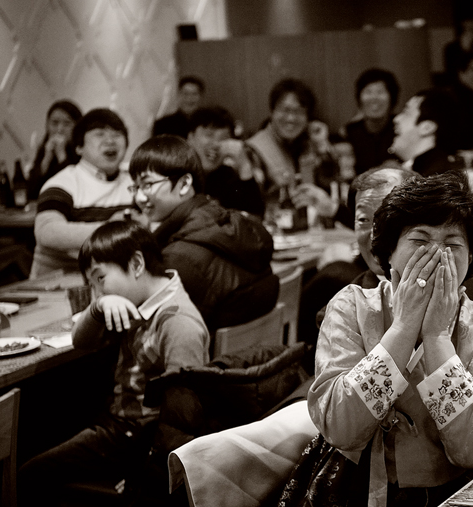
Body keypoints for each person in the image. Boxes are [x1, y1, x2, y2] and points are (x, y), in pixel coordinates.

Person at [267, 171, 473, 507]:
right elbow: (339, 427)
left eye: (452, 243)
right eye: (420, 240)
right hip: (352, 502)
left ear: (471, 258)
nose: (437, 255)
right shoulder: (351, 307)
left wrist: (436, 337)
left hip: (451, 504)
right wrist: (404, 326)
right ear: (389, 253)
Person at [299, 166, 473, 421]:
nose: (375, 232)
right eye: (363, 220)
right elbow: (333, 410)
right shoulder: (348, 306)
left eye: (387, 215)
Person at [19, 221, 210, 507]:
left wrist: (143, 473)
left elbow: (183, 420)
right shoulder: (140, 303)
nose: (97, 291)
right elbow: (81, 341)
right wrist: (98, 307)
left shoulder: (178, 323)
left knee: (29, 476)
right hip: (121, 425)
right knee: (41, 430)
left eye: (100, 280)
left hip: (136, 439)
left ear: (136, 264)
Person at [128, 135, 278, 332]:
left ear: (184, 184)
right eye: (135, 187)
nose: (139, 197)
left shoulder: (178, 257)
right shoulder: (226, 221)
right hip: (254, 348)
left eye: (147, 185)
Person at [31, 108, 139, 277]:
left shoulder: (135, 182)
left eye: (117, 134)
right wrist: (111, 230)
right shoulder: (63, 182)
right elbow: (47, 232)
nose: (110, 141)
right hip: (62, 279)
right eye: (100, 134)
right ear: (79, 147)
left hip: (116, 279)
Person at [246, 78, 341, 221]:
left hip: (313, 227)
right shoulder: (255, 149)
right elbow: (251, 203)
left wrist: (322, 145)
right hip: (273, 227)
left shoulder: (309, 143)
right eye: (285, 110)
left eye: (299, 112)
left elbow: (333, 186)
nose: (291, 118)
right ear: (272, 111)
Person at [187, 106, 265, 217]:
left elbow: (255, 217)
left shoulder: (226, 177)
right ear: (190, 138)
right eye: (209, 135)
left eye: (223, 138)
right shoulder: (177, 174)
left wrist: (244, 166)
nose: (215, 144)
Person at [390, 88, 465, 176]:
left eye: (406, 113)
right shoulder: (424, 171)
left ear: (427, 128)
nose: (396, 119)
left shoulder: (434, 178)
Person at [341, 68, 401, 174]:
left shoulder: (401, 128)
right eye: (368, 92)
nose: (374, 98)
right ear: (359, 98)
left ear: (392, 97)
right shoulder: (350, 132)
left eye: (380, 92)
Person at [27, 99, 82, 199]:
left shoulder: (83, 150)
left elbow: (77, 187)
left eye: (67, 124)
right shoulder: (44, 150)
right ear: (47, 125)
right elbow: (31, 192)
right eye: (54, 123)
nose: (59, 129)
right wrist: (46, 159)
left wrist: (61, 156)